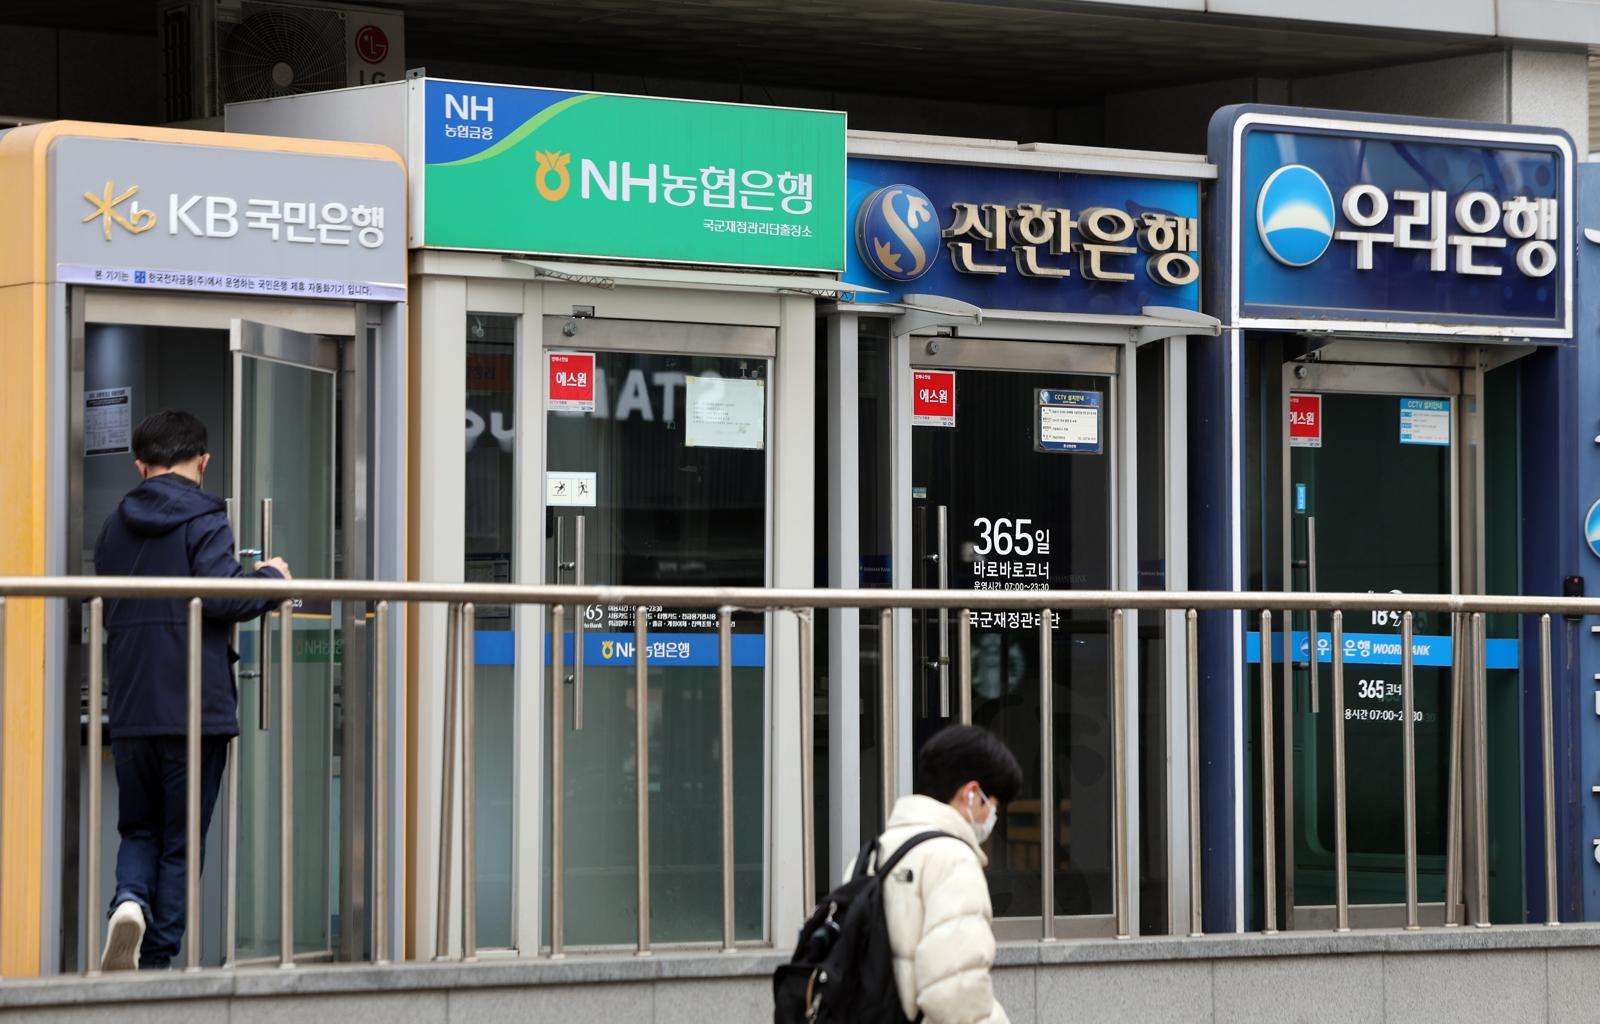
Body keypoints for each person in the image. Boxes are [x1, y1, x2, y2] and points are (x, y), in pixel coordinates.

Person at [93, 410, 291, 970]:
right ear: (203, 461)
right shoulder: (205, 518)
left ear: (140, 465)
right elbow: (226, 597)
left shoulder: (112, 527)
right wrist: (273, 578)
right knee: (181, 841)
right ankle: (157, 960)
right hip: (194, 707)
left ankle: (129, 901)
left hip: (131, 706)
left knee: (138, 828)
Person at [858, 724, 1022, 1024]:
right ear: (971, 794)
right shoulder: (953, 859)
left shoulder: (874, 854)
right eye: (993, 806)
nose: (991, 817)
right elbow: (956, 995)